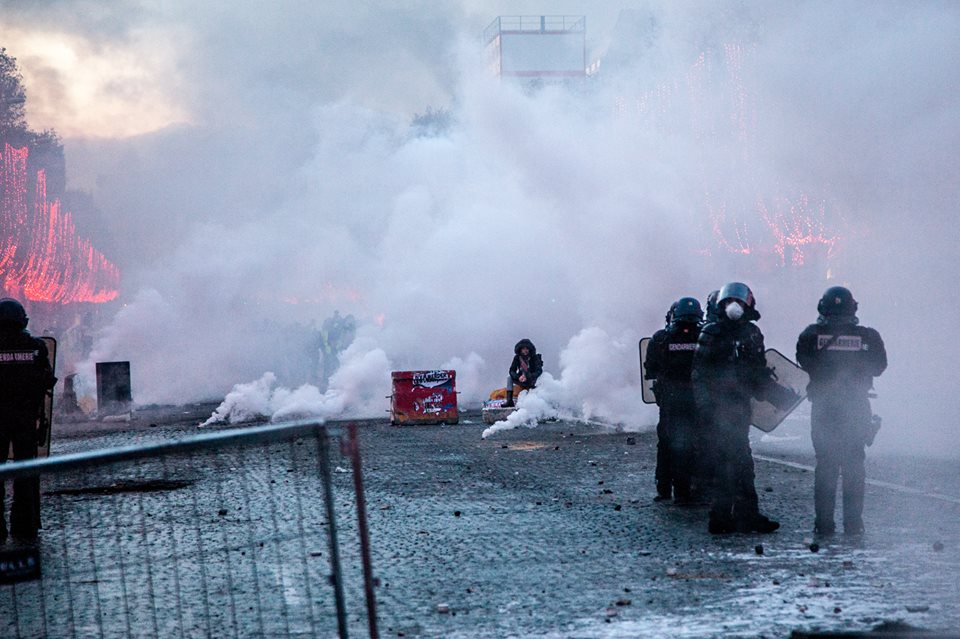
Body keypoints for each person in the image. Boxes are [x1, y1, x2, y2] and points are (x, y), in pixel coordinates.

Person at [692, 282, 795, 534]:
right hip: (718, 409)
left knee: (739, 464)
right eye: (730, 301)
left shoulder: (752, 333)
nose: (734, 306)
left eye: (738, 301)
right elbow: (700, 375)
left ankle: (740, 516)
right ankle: (725, 518)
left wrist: (781, 397)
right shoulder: (711, 332)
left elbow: (757, 374)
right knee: (728, 464)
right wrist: (705, 407)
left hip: (739, 408)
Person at [796, 286, 886, 536]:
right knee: (854, 465)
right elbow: (880, 366)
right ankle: (853, 524)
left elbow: (803, 361)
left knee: (826, 465)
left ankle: (823, 524)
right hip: (857, 406)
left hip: (824, 407)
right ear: (852, 308)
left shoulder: (811, 335)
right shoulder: (868, 336)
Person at [0, 298, 56, 542]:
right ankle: (24, 524)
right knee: (26, 473)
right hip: (25, 420)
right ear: (22, 321)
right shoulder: (37, 347)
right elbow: (47, 381)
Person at [645, 297, 704, 504]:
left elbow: (650, 369)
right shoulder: (704, 336)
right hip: (696, 398)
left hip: (670, 400)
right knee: (692, 443)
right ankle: (684, 491)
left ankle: (663, 488)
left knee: (666, 443)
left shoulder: (660, 339)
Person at [503, 339, 543, 407]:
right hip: (521, 379)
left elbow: (539, 371)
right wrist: (518, 377)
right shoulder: (517, 358)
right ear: (520, 349)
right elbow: (512, 370)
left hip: (532, 380)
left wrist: (530, 376)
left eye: (527, 348)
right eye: (523, 348)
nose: (525, 350)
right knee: (509, 378)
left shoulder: (535, 358)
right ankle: (509, 401)